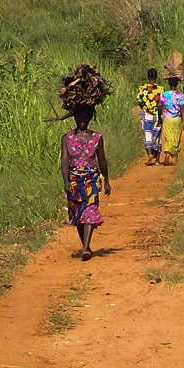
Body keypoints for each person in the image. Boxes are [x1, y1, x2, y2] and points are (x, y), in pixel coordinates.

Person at [61, 106, 111, 261]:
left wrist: (106, 180)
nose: (82, 120)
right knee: (77, 213)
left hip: (91, 180)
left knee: (90, 209)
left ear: (90, 118)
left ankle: (84, 249)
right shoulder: (67, 137)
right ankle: (86, 246)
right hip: (74, 181)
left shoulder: (97, 138)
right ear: (74, 117)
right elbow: (64, 160)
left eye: (86, 117)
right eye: (79, 116)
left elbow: (102, 160)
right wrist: (66, 180)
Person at [136, 67, 164, 166]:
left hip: (147, 114)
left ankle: (150, 154)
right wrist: (160, 117)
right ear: (156, 76)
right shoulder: (161, 89)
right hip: (157, 115)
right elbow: (162, 104)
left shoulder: (142, 89)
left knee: (147, 135)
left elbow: (139, 101)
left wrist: (144, 107)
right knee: (157, 137)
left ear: (147, 77)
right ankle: (157, 161)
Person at [159, 74, 184, 165]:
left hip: (167, 119)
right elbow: (182, 109)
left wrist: (159, 116)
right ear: (177, 84)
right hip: (177, 119)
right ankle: (176, 156)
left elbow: (160, 107)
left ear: (168, 83)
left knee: (167, 137)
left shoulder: (164, 95)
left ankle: (167, 153)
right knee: (176, 137)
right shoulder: (181, 95)